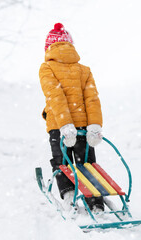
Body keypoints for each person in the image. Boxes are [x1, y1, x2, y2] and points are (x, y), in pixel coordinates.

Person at [39, 23, 104, 212]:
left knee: (62, 162)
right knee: (87, 164)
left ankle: (69, 197)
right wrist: (94, 126)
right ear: (70, 45)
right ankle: (95, 203)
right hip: (84, 127)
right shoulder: (84, 70)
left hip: (59, 127)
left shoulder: (46, 68)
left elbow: (55, 96)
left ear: (49, 47)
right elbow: (92, 99)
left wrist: (65, 125)